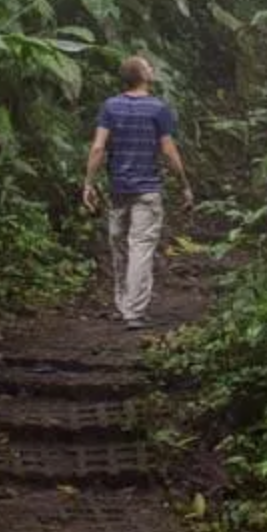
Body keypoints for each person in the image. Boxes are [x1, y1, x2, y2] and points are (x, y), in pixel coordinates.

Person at [80, 54, 193, 329]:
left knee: (119, 246)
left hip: (118, 188)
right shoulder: (158, 109)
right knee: (140, 248)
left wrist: (88, 183)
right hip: (147, 190)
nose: (152, 69)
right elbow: (168, 150)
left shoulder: (110, 107)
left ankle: (124, 304)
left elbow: (98, 147)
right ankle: (134, 311)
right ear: (143, 76)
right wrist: (185, 185)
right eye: (148, 66)